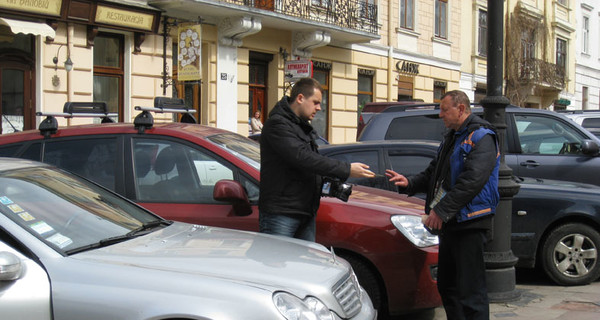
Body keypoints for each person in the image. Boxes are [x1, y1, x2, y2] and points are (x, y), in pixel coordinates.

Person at [385, 90, 500, 320]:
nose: (440, 115)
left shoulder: (482, 136)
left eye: (444, 109)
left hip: (471, 222)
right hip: (452, 223)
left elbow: (472, 181)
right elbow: (434, 174)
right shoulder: (453, 136)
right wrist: (409, 183)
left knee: (471, 291)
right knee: (448, 286)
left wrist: (441, 211)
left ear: (461, 109)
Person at [259, 77, 375, 241]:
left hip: (305, 211)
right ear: (300, 98)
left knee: (307, 265)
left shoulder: (301, 125)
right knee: (275, 264)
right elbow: (303, 158)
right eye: (315, 102)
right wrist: (347, 169)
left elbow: (308, 164)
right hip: (282, 213)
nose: (319, 108)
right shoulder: (277, 124)